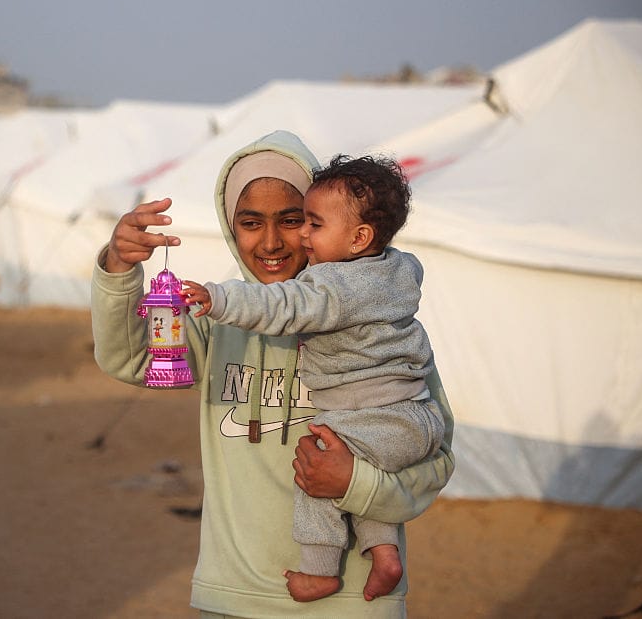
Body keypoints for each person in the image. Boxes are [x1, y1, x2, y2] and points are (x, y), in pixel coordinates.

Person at [91, 130, 455, 617]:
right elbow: (129, 358)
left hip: (353, 601)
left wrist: (356, 483)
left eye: (291, 220)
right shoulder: (218, 321)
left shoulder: (381, 329)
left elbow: (436, 454)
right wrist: (118, 268)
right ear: (230, 227)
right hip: (234, 592)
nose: (270, 241)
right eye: (249, 222)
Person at [181, 154, 445, 604]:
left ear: (359, 237)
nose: (299, 236)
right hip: (412, 415)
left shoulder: (333, 288)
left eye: (308, 223)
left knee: (317, 467)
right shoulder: (398, 271)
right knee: (362, 465)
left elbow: (283, 306)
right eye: (249, 222)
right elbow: (132, 361)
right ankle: (384, 554)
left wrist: (219, 298)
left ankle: (320, 568)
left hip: (373, 417)